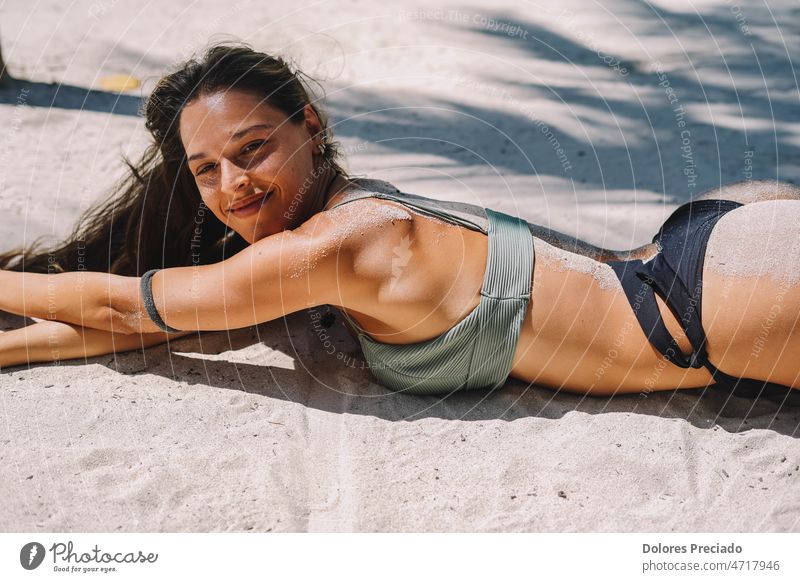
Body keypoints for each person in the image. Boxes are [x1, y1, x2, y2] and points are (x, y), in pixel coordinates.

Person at [0, 43, 798, 401]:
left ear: (309, 125)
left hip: (710, 301)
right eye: (206, 170)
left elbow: (120, 304)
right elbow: (156, 325)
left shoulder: (337, 242)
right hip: (704, 260)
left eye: (252, 149)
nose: (232, 184)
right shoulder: (316, 237)